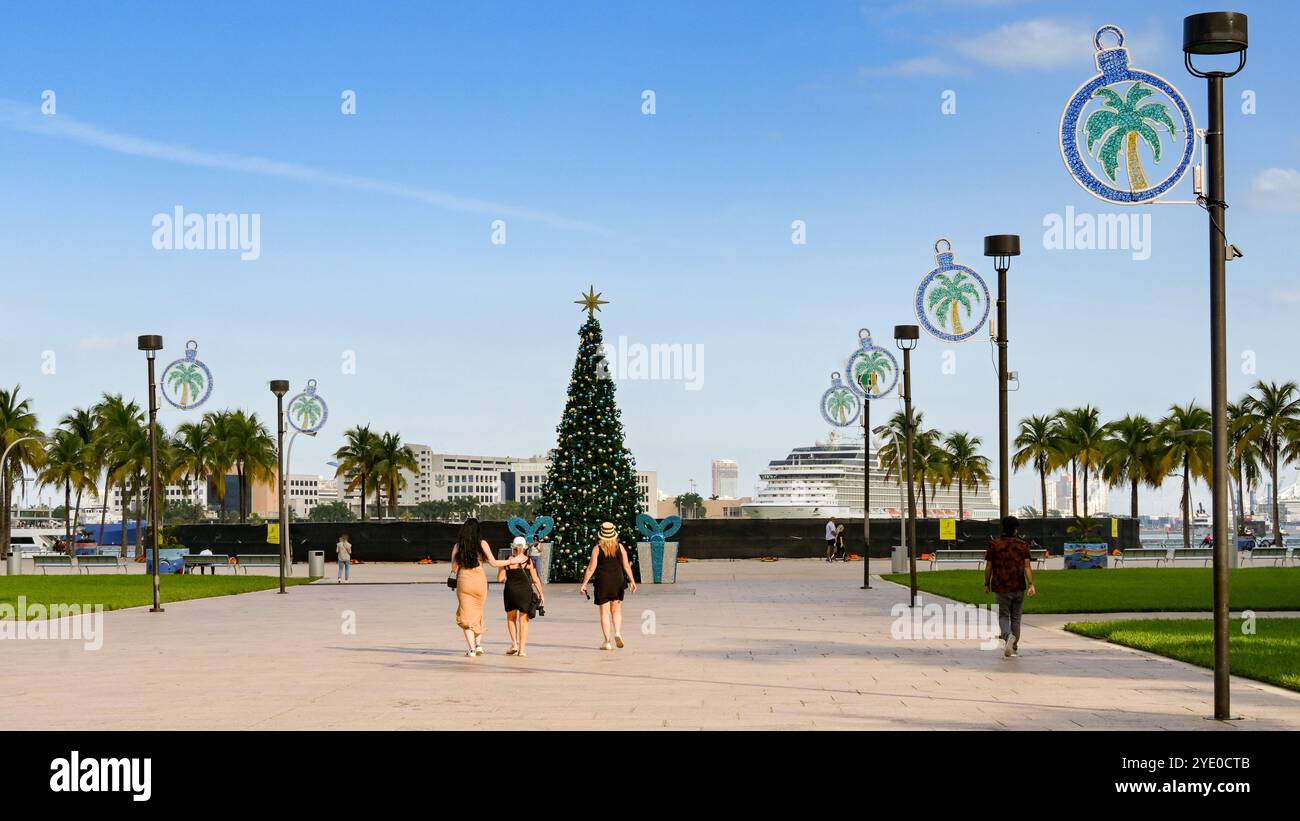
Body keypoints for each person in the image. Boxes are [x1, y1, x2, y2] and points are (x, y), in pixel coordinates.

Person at [451, 518, 528, 656]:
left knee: (466, 615)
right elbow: (493, 562)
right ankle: (479, 645)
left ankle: (472, 649)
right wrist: (513, 561)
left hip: (464, 582)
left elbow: (454, 568)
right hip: (480, 582)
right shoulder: (482, 543)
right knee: (478, 612)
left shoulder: (458, 546)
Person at [580, 521, 637, 650]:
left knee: (604, 613)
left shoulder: (597, 548)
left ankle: (607, 642)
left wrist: (584, 584)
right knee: (616, 610)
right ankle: (617, 632)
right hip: (618, 580)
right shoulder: (620, 547)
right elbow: (626, 566)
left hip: (603, 582)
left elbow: (591, 568)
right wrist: (632, 581)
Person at [984, 515, 1036, 658]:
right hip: (1018, 586)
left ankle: (1007, 637)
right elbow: (1027, 566)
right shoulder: (1023, 545)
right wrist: (1031, 584)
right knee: (1016, 618)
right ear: (1015, 529)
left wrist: (986, 583)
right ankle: (1013, 646)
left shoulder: (995, 545)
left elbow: (989, 567)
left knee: (1002, 616)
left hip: (1001, 587)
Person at [499, 536, 545, 657]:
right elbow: (535, 580)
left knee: (511, 618)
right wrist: (542, 594)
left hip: (510, 591)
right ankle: (522, 650)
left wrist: (503, 569)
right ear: (525, 547)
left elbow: (500, 578)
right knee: (523, 620)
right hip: (525, 592)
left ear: (513, 547)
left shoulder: (507, 560)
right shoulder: (529, 561)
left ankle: (514, 644)